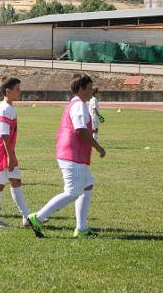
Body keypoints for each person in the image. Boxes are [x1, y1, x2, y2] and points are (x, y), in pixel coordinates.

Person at [27, 74, 106, 238]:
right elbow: (80, 130)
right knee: (72, 192)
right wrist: (98, 147)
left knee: (87, 184)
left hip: (73, 153)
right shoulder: (79, 105)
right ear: (81, 89)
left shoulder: (78, 104)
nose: (93, 90)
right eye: (90, 87)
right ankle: (37, 217)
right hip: (72, 154)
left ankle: (81, 228)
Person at [0, 77, 31, 228]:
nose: (20, 91)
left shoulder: (9, 107)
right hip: (0, 153)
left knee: (16, 182)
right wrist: (10, 157)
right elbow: (4, 135)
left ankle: (26, 218)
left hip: (5, 151)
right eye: (17, 89)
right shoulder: (5, 109)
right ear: (8, 91)